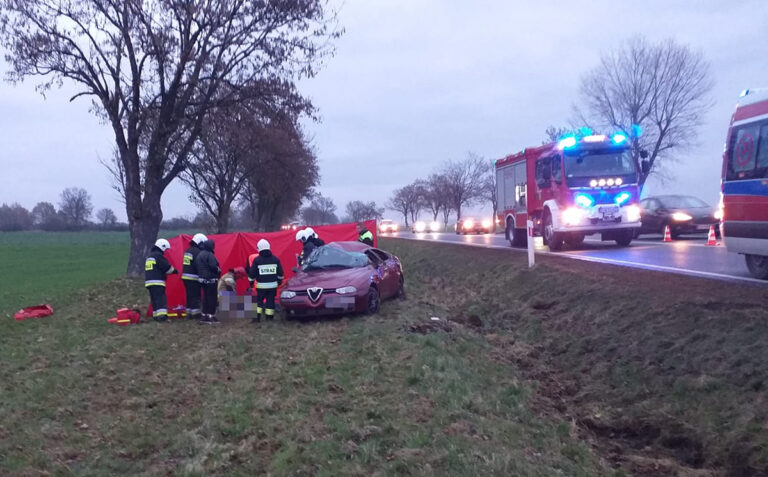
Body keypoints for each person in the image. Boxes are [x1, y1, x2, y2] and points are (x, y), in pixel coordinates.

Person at [248, 239, 284, 323]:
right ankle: (269, 318)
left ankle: (257, 319)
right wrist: (279, 281)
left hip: (261, 286)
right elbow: (280, 273)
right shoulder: (275, 259)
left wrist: (251, 282)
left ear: (259, 249)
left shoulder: (257, 260)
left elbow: (252, 273)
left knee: (259, 303)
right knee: (270, 303)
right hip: (272, 286)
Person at [144, 238, 177, 322]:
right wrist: (175, 271)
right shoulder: (158, 256)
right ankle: (162, 317)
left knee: (154, 299)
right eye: (165, 249)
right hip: (157, 281)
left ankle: (156, 316)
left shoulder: (150, 256)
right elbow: (167, 268)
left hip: (149, 282)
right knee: (160, 299)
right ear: (162, 247)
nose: (165, 251)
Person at [194, 239, 221, 325]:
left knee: (205, 297)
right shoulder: (210, 255)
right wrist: (218, 270)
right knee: (212, 298)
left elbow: (196, 266)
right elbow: (213, 266)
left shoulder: (200, 254)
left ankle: (204, 315)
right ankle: (211, 316)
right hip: (211, 280)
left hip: (202, 280)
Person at [182, 233, 207, 320]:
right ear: (199, 243)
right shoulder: (198, 252)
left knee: (189, 295)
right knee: (196, 296)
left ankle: (189, 313)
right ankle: (196, 314)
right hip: (193, 277)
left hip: (185, 277)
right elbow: (198, 265)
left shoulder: (188, 251)